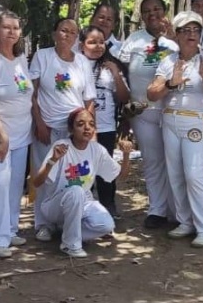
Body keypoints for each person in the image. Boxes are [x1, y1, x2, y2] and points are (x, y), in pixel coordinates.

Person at [147, 11, 203, 247]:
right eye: (186, 31)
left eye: (196, 30)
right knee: (176, 173)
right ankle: (185, 221)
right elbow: (152, 93)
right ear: (177, 35)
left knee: (195, 174)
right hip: (170, 119)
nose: (192, 35)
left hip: (196, 120)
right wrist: (172, 82)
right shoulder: (169, 61)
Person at [30, 18, 97, 241]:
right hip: (47, 126)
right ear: (54, 33)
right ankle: (43, 224)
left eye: (72, 32)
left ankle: (71, 221)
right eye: (63, 31)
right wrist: (39, 123)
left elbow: (88, 100)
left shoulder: (82, 63)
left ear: (77, 37)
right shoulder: (42, 56)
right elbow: (33, 92)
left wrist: (89, 129)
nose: (67, 35)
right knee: (46, 174)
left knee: (74, 176)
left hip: (75, 129)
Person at [32, 108, 132, 257]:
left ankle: (66, 232)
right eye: (80, 124)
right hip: (55, 205)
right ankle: (70, 245)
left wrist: (126, 155)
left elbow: (121, 176)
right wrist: (52, 161)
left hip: (83, 203)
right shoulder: (61, 146)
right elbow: (37, 182)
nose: (87, 128)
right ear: (71, 129)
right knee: (76, 190)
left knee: (107, 225)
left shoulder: (97, 149)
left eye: (91, 124)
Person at [118, 0, 179, 228]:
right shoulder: (133, 41)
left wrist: (173, 38)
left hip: (170, 111)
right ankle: (157, 210)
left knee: (173, 160)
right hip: (143, 112)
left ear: (165, 10)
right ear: (141, 16)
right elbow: (122, 73)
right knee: (153, 161)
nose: (152, 14)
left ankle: (178, 211)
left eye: (156, 9)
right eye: (146, 11)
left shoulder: (175, 40)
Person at [0, 12, 34, 256]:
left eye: (16, 27)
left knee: (14, 185)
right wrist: (2, 136)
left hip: (23, 132)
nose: (12, 32)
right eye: (6, 27)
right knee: (0, 183)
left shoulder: (21, 59)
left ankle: (11, 229)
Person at [80, 25, 130, 217]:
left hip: (106, 127)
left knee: (105, 167)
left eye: (101, 42)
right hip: (81, 128)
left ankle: (108, 205)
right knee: (83, 167)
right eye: (92, 42)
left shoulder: (110, 66)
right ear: (82, 45)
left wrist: (116, 74)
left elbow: (124, 97)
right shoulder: (76, 64)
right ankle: (84, 207)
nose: (97, 46)